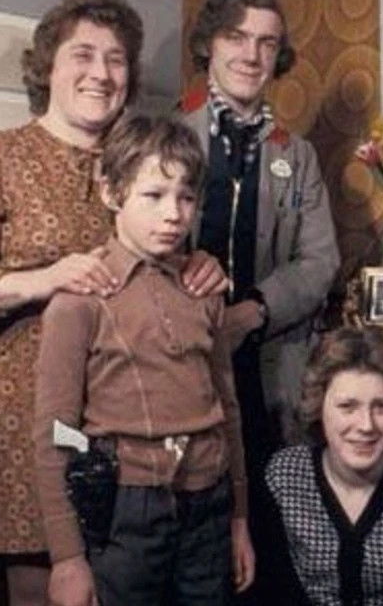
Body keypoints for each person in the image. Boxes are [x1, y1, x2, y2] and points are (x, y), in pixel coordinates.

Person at [0, 0, 225, 605]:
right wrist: (40, 279)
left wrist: (200, 265)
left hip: (131, 446)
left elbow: (159, 263)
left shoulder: (145, 164)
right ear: (47, 67)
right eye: (83, 54)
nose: (101, 72)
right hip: (24, 425)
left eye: (116, 59)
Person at [33, 115, 253, 606]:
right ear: (112, 193)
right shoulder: (79, 301)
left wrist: (239, 519)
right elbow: (55, 433)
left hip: (209, 502)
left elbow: (229, 409)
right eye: (153, 195)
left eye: (186, 197)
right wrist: (67, 558)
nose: (173, 214)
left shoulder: (203, 289)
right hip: (125, 509)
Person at [182, 0, 341, 603]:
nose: (251, 55)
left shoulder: (294, 156)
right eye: (237, 37)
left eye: (267, 43)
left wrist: (253, 311)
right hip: (183, 370)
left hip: (270, 374)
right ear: (209, 44)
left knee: (271, 550)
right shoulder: (169, 137)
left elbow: (320, 261)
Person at [263, 327, 383, 606]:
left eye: (381, 407)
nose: (366, 425)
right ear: (319, 406)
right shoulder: (285, 477)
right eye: (347, 406)